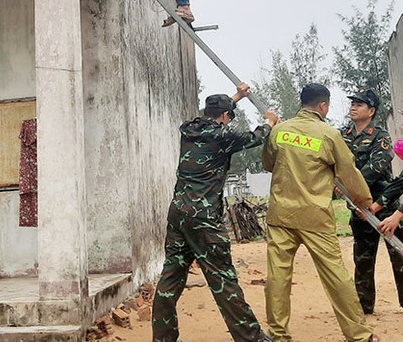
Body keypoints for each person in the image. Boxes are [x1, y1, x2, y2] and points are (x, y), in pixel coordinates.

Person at [152, 82, 278, 342]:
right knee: (223, 281)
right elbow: (256, 137)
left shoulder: (190, 129)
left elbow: (217, 113)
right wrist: (270, 121)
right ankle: (252, 339)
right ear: (223, 117)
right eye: (228, 116)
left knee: (170, 279)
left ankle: (163, 339)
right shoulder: (223, 136)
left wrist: (237, 97)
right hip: (204, 218)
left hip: (178, 214)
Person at [262, 83, 379, 342]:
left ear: (302, 103)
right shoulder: (328, 135)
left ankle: (278, 335)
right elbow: (348, 172)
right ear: (323, 106)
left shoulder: (280, 131)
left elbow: (268, 163)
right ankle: (359, 335)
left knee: (278, 277)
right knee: (335, 274)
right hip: (315, 216)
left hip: (281, 215)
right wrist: (364, 201)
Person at [340, 89, 403, 314]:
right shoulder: (342, 135)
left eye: (360, 104)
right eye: (353, 103)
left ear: (372, 111)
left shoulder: (380, 136)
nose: (354, 107)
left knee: (399, 257)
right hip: (358, 209)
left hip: (385, 207)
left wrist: (349, 187)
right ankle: (364, 308)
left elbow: (374, 169)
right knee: (363, 260)